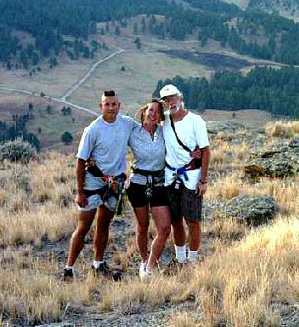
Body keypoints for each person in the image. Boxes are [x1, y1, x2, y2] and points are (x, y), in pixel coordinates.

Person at [62, 90, 137, 280]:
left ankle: (98, 264)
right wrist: (80, 192)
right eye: (107, 104)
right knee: (83, 227)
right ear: (101, 106)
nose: (111, 108)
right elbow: (81, 162)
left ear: (119, 105)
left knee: (104, 224)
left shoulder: (127, 123)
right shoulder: (93, 130)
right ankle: (68, 269)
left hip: (115, 183)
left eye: (114, 104)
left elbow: (146, 128)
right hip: (93, 183)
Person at [159, 84, 210, 266]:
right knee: (175, 220)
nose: (170, 102)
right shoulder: (164, 121)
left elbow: (205, 151)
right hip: (170, 177)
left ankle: (193, 260)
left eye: (172, 98)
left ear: (181, 98)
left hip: (192, 177)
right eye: (166, 100)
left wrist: (203, 180)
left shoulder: (196, 121)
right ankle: (180, 259)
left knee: (193, 220)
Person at [126, 100, 171, 280]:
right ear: (144, 112)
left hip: (159, 183)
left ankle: (151, 265)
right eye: (151, 110)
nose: (153, 114)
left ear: (161, 116)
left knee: (165, 228)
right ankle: (144, 262)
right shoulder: (133, 132)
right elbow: (115, 145)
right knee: (143, 225)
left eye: (158, 112)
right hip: (137, 183)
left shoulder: (163, 132)